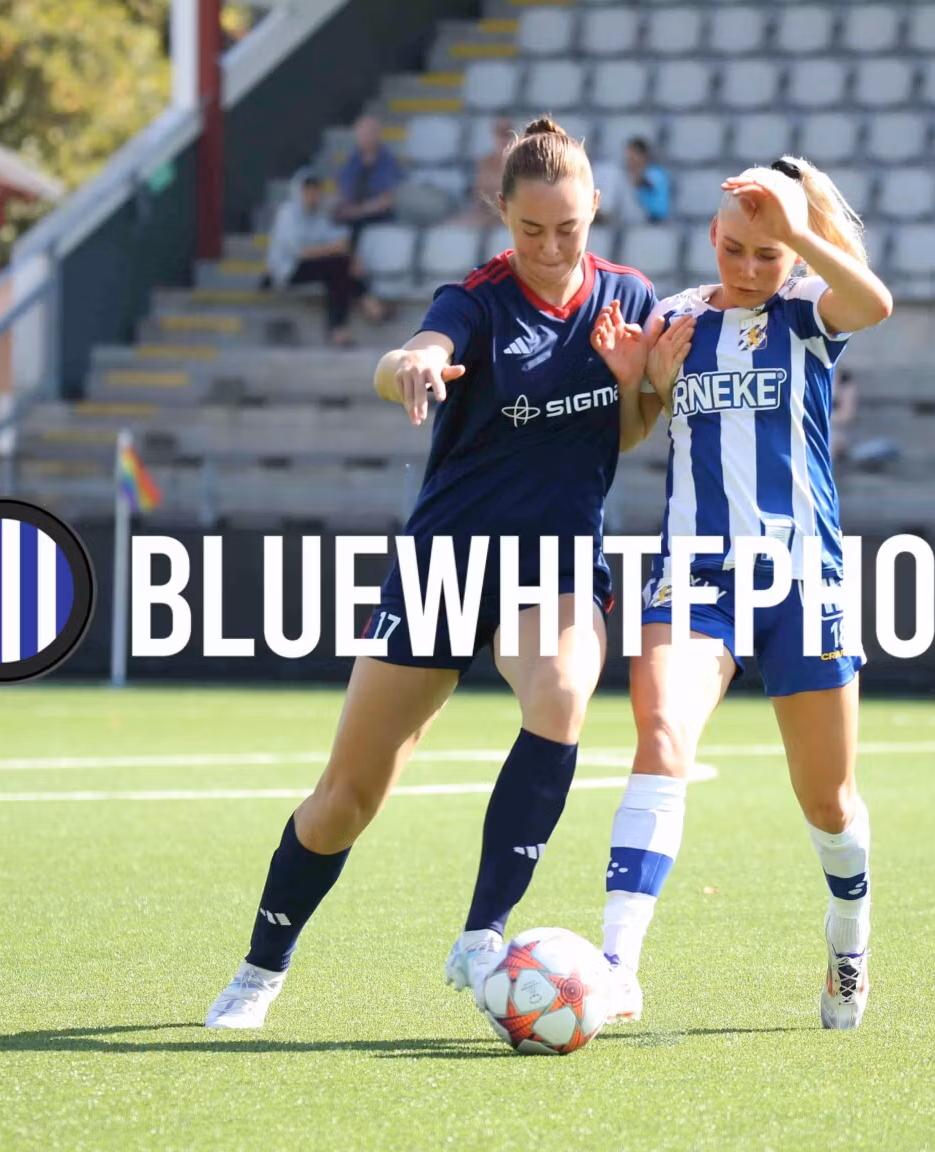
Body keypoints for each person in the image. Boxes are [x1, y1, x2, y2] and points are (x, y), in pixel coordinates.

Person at [205, 117, 668, 1030]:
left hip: (559, 563)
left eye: (567, 229)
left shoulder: (630, 298)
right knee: (345, 801)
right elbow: (408, 354)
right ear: (501, 213)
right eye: (529, 230)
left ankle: (482, 934)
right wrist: (411, 363)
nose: (548, 248)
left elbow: (625, 434)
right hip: (446, 566)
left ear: (595, 210)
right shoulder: (478, 300)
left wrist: (627, 382)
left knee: (565, 694)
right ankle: (262, 968)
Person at [597, 156, 895, 1031]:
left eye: (767, 254)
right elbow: (628, 438)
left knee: (828, 801)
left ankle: (849, 935)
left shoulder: (809, 310)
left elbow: (875, 305)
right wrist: (635, 381)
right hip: (695, 575)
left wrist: (799, 234)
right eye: (735, 248)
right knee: (660, 737)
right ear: (711, 237)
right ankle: (618, 966)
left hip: (804, 577)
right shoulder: (678, 316)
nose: (749, 269)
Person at [264, 172, 368, 346]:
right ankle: (365, 300)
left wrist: (353, 258)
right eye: (308, 191)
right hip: (288, 269)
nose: (313, 196)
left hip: (314, 265)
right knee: (337, 266)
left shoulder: (319, 214)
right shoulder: (287, 214)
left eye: (316, 191)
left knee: (338, 270)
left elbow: (339, 240)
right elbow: (300, 253)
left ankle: (339, 329)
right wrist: (335, 250)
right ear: (299, 192)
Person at [606, 137, 671, 227]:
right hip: (629, 216)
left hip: (650, 216)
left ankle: (605, 213)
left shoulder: (655, 173)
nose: (630, 157)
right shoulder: (626, 173)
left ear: (643, 155)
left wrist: (636, 180)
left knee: (614, 174)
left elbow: (646, 185)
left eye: (634, 153)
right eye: (629, 153)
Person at [464, 116, 515, 224]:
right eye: (500, 133)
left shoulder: (524, 163)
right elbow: (478, 195)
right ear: (494, 135)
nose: (503, 138)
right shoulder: (484, 163)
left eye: (507, 133)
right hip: (488, 215)